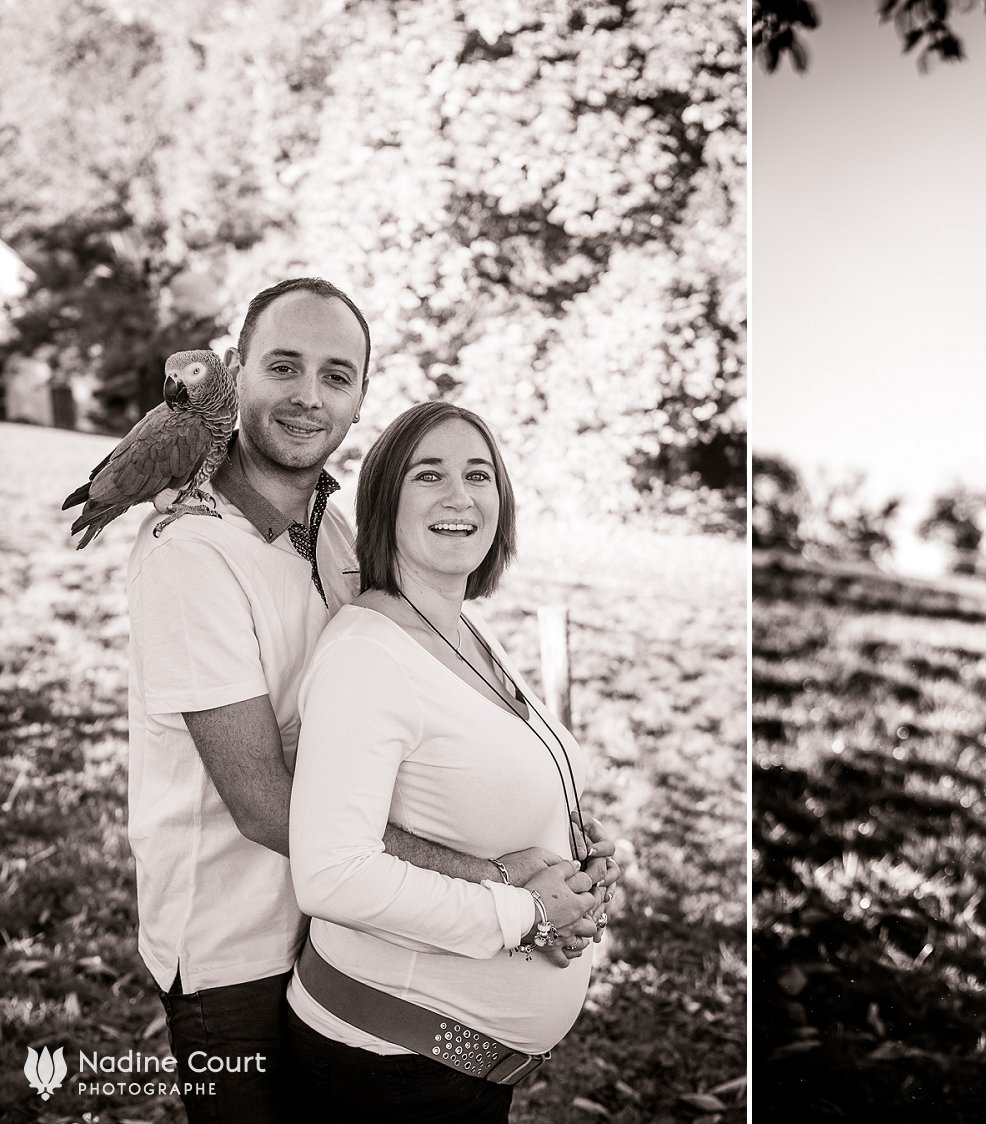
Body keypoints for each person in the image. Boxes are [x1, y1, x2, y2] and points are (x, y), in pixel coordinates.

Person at [126, 279, 544, 1123]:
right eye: (284, 366)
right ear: (235, 374)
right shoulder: (192, 553)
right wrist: (495, 881)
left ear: (358, 400)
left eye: (337, 375)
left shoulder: (339, 536)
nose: (308, 396)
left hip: (346, 938)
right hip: (234, 958)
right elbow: (261, 804)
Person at [283, 401, 621, 1122]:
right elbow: (331, 875)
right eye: (427, 475)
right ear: (385, 503)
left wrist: (576, 872)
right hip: (386, 1070)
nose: (459, 497)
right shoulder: (367, 655)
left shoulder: (462, 629)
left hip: (452, 1076)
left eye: (478, 475)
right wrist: (527, 913)